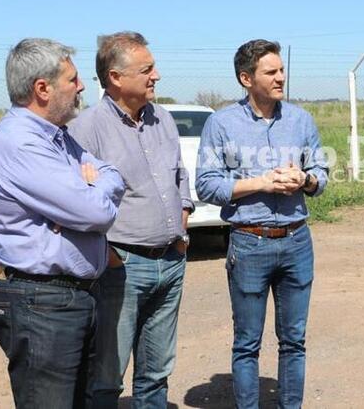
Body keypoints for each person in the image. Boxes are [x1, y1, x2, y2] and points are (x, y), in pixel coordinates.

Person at [0, 38, 125, 408]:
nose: (81, 87)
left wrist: (93, 186)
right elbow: (98, 213)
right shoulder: (20, 143)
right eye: (73, 79)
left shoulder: (57, 138)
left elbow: (112, 176)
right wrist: (87, 189)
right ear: (42, 89)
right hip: (42, 303)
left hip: (69, 298)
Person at [196, 39, 329, 409]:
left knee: (294, 341)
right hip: (249, 243)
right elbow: (206, 184)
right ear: (245, 78)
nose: (280, 77)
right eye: (271, 72)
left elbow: (322, 174)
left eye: (282, 70)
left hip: (297, 241)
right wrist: (262, 183)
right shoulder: (221, 124)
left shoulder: (301, 120)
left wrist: (305, 180)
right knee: (247, 344)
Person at [68, 31, 194, 407]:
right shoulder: (86, 129)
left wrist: (182, 226)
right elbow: (76, 201)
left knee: (156, 372)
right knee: (107, 375)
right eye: (147, 69)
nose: (156, 76)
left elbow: (179, 177)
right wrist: (107, 253)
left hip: (170, 261)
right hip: (121, 266)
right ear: (115, 77)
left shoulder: (163, 118)